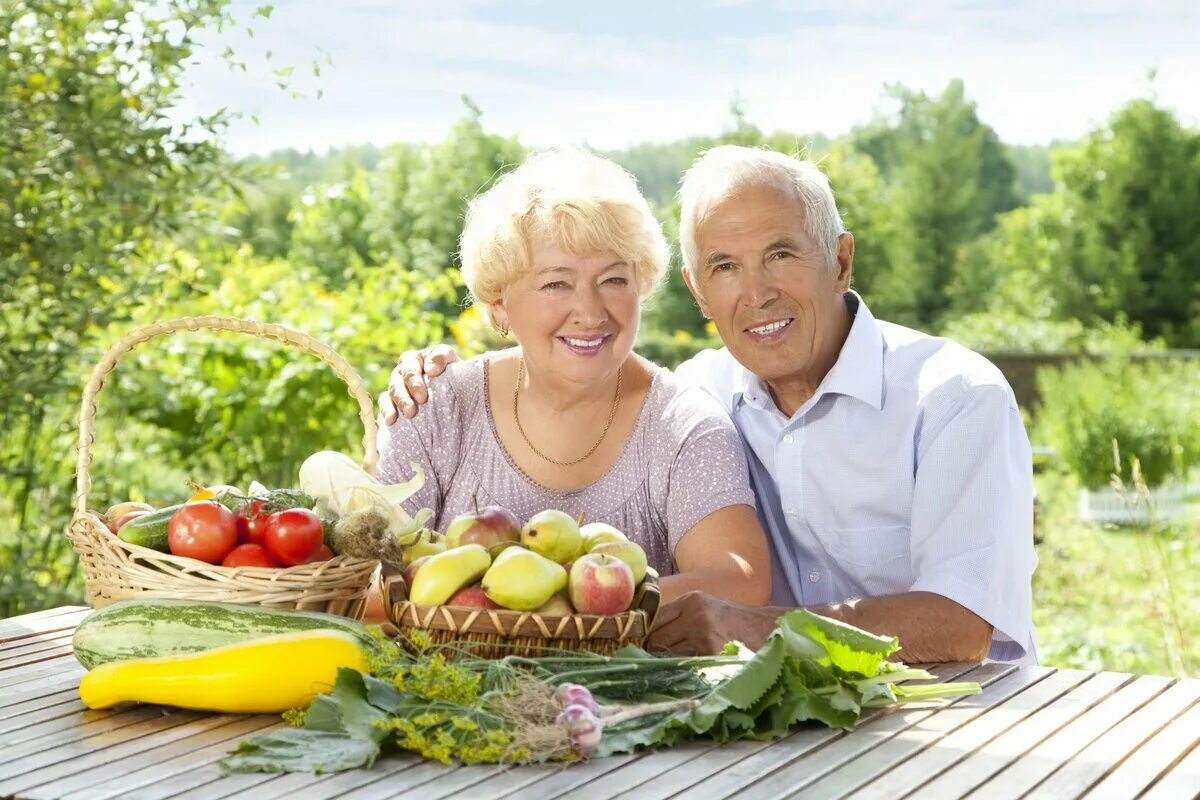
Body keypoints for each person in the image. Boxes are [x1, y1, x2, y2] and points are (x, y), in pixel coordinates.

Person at [383, 146, 1037, 665]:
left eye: (780, 255)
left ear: (840, 261)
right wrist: (428, 374)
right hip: (786, 731)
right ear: (698, 291)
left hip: (957, 724)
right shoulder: (706, 389)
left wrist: (758, 629)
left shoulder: (954, 397)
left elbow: (963, 625)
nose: (755, 294)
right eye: (725, 267)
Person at [374, 148, 772, 607]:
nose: (589, 312)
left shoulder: (683, 424)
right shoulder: (435, 405)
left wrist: (553, 605)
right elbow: (367, 583)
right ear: (499, 303)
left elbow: (740, 584)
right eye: (555, 283)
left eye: (613, 280)